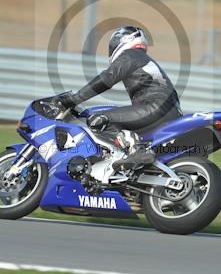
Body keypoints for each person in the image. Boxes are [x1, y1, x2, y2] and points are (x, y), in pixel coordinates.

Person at [58, 26, 183, 170]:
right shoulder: (143, 59)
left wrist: (74, 99)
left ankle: (137, 150)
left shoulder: (131, 55)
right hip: (167, 112)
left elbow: (107, 78)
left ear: (126, 40)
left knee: (99, 120)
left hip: (155, 109)